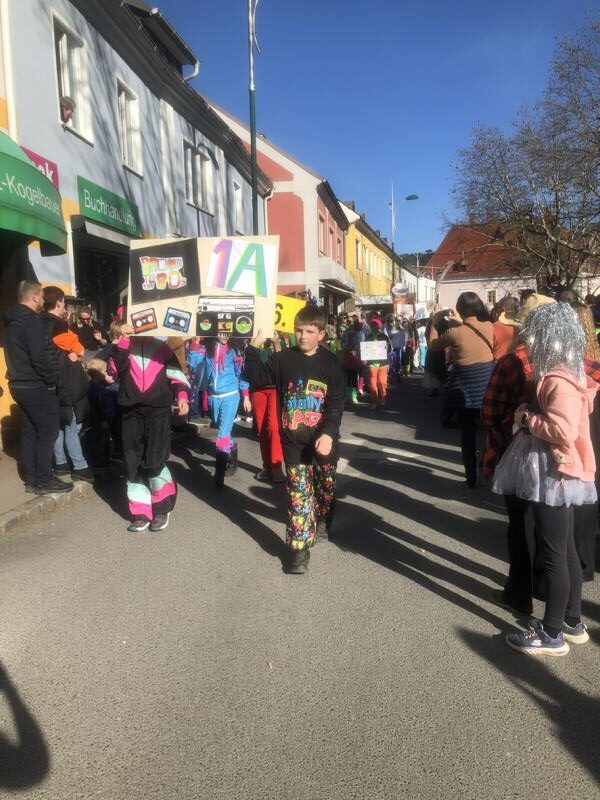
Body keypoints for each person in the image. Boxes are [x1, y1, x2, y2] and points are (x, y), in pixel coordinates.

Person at [492, 303, 597, 656]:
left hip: (556, 474)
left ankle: (552, 632)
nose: (528, 342)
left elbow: (563, 431)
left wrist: (526, 419)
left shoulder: (556, 379)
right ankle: (571, 621)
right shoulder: (569, 372)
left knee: (554, 553)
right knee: (565, 550)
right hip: (562, 473)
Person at [244, 306, 345, 574]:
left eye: (309, 331)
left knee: (325, 489)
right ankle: (299, 551)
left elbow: (336, 404)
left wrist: (329, 433)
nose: (302, 336)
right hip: (293, 443)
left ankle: (323, 517)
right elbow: (255, 377)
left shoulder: (331, 364)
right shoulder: (283, 360)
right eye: (299, 330)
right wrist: (253, 347)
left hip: (323, 442)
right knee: (298, 497)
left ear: (321, 334)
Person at [111, 324, 190, 532]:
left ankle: (162, 507)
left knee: (155, 459)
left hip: (158, 411)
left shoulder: (162, 348)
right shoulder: (124, 346)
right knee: (132, 462)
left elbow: (176, 376)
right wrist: (123, 341)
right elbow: (115, 371)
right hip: (131, 411)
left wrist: (182, 397)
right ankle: (140, 512)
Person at [3, 281, 72, 495]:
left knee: (30, 431)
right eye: (41, 296)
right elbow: (40, 357)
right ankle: (44, 479)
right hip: (36, 384)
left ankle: (32, 479)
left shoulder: (11, 321)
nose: (43, 300)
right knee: (47, 431)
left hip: (18, 383)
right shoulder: (31, 320)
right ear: (34, 297)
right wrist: (53, 379)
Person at [430, 292, 495, 487]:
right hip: (487, 388)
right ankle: (489, 467)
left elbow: (433, 345)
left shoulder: (454, 333)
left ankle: (471, 476)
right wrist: (461, 321)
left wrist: (434, 322)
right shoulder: (489, 326)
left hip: (466, 390)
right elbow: (472, 331)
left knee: (468, 434)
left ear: (459, 309)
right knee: (490, 431)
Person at [40, 287, 94, 483]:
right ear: (59, 302)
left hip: (51, 380)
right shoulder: (58, 324)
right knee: (72, 424)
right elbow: (75, 346)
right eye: (64, 301)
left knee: (60, 424)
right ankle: (80, 466)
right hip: (67, 380)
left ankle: (61, 463)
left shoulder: (39, 322)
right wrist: (78, 352)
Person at [188, 335, 249, 487]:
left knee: (222, 435)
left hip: (230, 396)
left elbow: (242, 374)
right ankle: (232, 448)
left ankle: (219, 474)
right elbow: (193, 363)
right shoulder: (206, 349)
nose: (224, 335)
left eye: (227, 331)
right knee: (223, 431)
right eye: (221, 331)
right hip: (213, 397)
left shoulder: (235, 351)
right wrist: (195, 343)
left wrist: (246, 396)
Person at [248, 335, 286, 483]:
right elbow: (248, 370)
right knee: (262, 430)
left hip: (275, 389)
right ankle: (267, 467)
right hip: (257, 390)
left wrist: (276, 343)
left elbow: (282, 365)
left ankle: (276, 466)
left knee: (274, 428)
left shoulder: (281, 342)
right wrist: (254, 345)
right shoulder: (253, 342)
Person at [363, 318, 391, 409]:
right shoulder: (368, 337)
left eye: (375, 325)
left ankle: (383, 397)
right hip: (372, 363)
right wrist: (364, 358)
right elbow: (365, 349)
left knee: (382, 382)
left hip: (382, 363)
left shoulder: (384, 336)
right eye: (372, 326)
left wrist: (387, 347)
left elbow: (389, 349)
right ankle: (375, 401)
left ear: (378, 327)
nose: (373, 327)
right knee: (372, 383)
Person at [340, 319, 364, 404]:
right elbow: (342, 344)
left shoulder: (359, 334)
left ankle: (352, 396)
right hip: (348, 357)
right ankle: (349, 396)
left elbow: (361, 345)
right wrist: (347, 348)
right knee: (349, 377)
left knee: (352, 377)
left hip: (355, 357)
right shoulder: (347, 333)